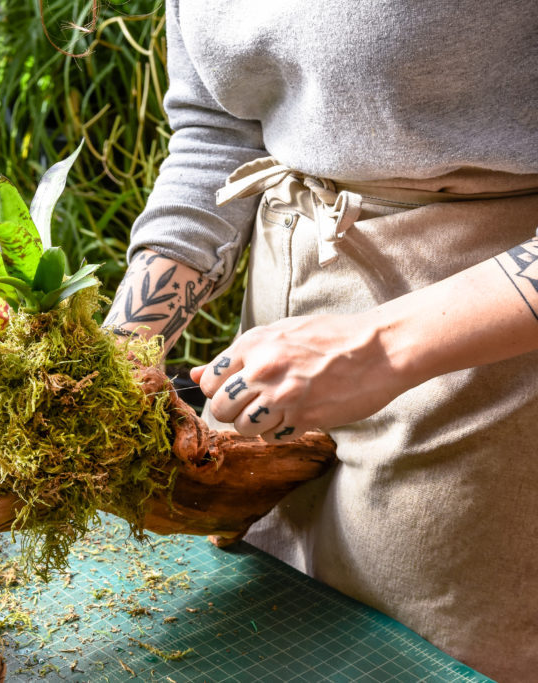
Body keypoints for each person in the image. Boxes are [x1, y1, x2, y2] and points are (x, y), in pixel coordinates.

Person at [102, 1, 538, 680]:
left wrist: (378, 347)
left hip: (477, 355)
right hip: (275, 352)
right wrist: (115, 356)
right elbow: (217, 133)